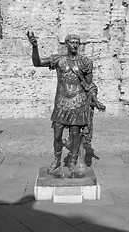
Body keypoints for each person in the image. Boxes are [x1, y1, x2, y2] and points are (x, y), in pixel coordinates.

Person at [27, 32, 105, 174]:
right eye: (72, 42)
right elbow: (37, 63)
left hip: (78, 102)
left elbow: (89, 85)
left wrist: (95, 100)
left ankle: (73, 161)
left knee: (75, 135)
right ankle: (57, 160)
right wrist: (35, 47)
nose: (74, 45)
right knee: (57, 134)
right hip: (62, 101)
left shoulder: (85, 62)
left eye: (77, 42)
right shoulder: (58, 60)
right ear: (66, 44)